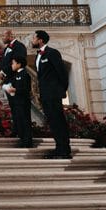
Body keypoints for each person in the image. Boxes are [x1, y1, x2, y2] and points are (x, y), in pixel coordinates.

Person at [32, 30, 71, 159]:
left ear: (40, 40)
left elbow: (62, 72)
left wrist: (61, 90)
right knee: (53, 123)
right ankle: (59, 148)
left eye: (34, 38)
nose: (32, 40)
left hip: (54, 94)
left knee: (59, 121)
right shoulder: (39, 55)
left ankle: (65, 150)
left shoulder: (52, 53)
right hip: (45, 95)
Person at [0, 29, 28, 135]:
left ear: (11, 36)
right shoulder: (7, 48)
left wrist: (3, 71)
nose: (2, 37)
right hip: (9, 80)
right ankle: (16, 130)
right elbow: (6, 62)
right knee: (13, 106)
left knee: (19, 107)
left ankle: (22, 133)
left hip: (16, 80)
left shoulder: (19, 46)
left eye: (4, 35)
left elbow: (19, 62)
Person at [3, 52, 33, 147]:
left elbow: (27, 89)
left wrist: (15, 89)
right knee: (19, 122)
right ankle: (22, 140)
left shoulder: (25, 74)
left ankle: (27, 142)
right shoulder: (15, 75)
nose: (12, 65)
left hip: (23, 103)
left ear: (19, 64)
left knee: (25, 122)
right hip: (16, 102)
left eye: (13, 63)